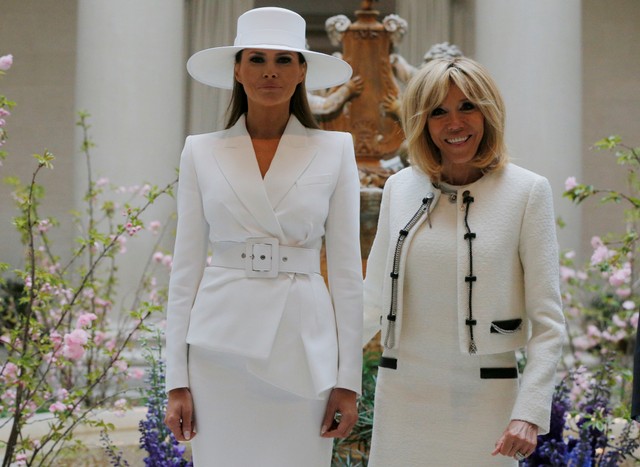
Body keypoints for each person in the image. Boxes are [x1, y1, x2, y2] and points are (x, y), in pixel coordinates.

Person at [163, 7, 363, 466]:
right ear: (237, 68)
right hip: (218, 351)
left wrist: (347, 380)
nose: (270, 71)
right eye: (256, 59)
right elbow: (185, 269)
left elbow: (349, 276)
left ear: (302, 71)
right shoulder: (201, 151)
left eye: (284, 59)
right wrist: (177, 379)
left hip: (303, 346)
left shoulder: (336, 150)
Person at [363, 56, 565, 466]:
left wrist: (528, 413)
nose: (454, 123)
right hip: (402, 396)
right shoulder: (399, 188)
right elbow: (369, 303)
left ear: (488, 112)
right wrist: (336, 381)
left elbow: (549, 323)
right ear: (422, 122)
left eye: (467, 106)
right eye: (438, 111)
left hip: (487, 400)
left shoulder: (527, 192)